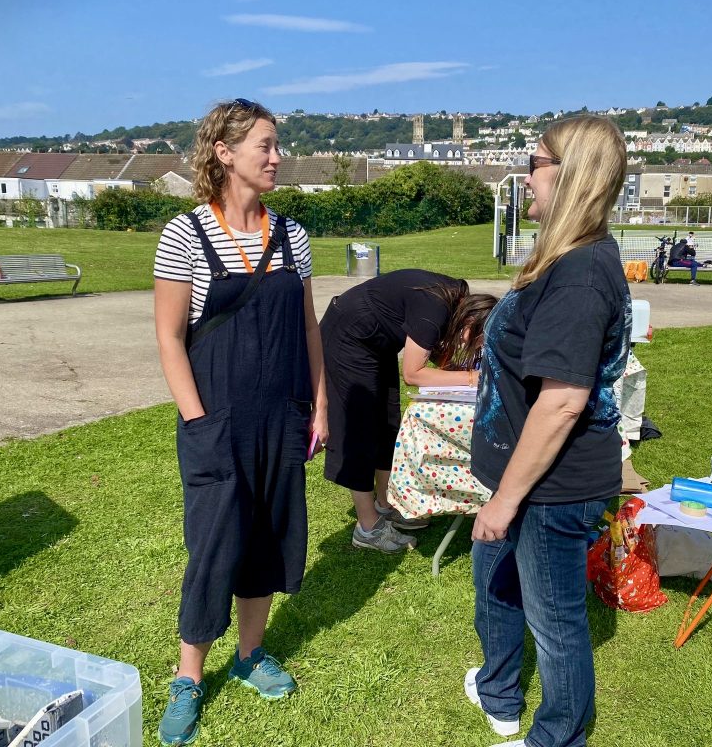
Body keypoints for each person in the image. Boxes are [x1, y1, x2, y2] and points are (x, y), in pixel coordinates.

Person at [152, 98, 328, 746]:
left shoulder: (293, 237)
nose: (277, 157)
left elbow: (308, 327)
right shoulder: (185, 234)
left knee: (269, 536)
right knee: (214, 545)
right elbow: (170, 340)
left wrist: (321, 402)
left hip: (282, 417)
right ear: (225, 153)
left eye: (277, 145)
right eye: (265, 145)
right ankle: (189, 677)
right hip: (215, 420)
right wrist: (198, 421)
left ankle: (251, 655)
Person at [467, 116, 631, 747]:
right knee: (497, 582)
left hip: (551, 486)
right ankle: (499, 690)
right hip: (522, 477)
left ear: (570, 175)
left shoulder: (582, 274)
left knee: (556, 621)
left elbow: (563, 402)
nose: (525, 175)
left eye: (533, 162)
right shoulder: (562, 259)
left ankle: (557, 736)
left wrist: (507, 500)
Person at [320, 269, 496, 553]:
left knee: (387, 423)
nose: (471, 348)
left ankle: (385, 505)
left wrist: (460, 373)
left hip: (378, 344)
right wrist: (471, 379)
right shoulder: (436, 307)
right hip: (348, 338)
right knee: (360, 430)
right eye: (475, 341)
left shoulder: (456, 300)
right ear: (471, 321)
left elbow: (433, 353)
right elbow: (413, 374)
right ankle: (368, 528)